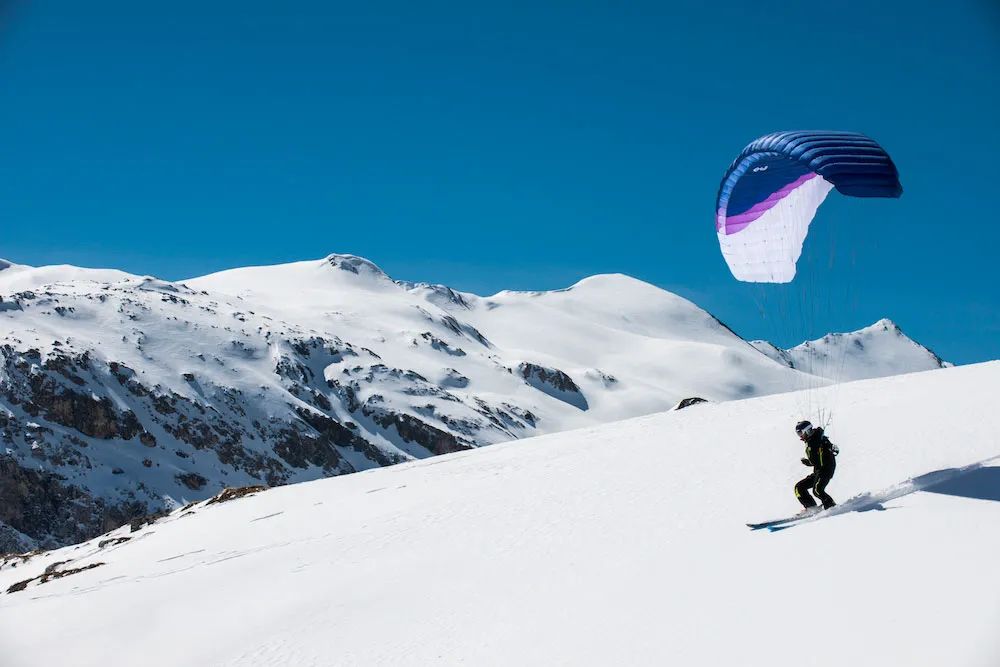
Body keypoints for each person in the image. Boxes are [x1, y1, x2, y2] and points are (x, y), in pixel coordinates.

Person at [794, 420, 838, 511]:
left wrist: (831, 448)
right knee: (799, 488)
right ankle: (812, 508)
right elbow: (816, 460)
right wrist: (808, 462)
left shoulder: (818, 439)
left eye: (800, 433)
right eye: (798, 433)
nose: (800, 436)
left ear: (807, 430)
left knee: (817, 490)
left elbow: (832, 450)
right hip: (818, 471)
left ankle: (832, 507)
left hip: (826, 470)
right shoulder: (811, 440)